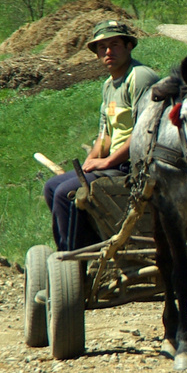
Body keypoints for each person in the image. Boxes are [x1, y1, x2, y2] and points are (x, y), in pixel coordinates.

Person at [43, 19, 160, 251]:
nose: (108, 52)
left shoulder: (140, 77)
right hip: (112, 164)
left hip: (134, 166)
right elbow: (104, 136)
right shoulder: (109, 85)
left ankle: (73, 258)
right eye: (101, 47)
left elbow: (145, 133)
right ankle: (89, 244)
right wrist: (89, 163)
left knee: (66, 193)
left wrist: (106, 161)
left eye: (115, 44)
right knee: (51, 187)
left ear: (129, 46)